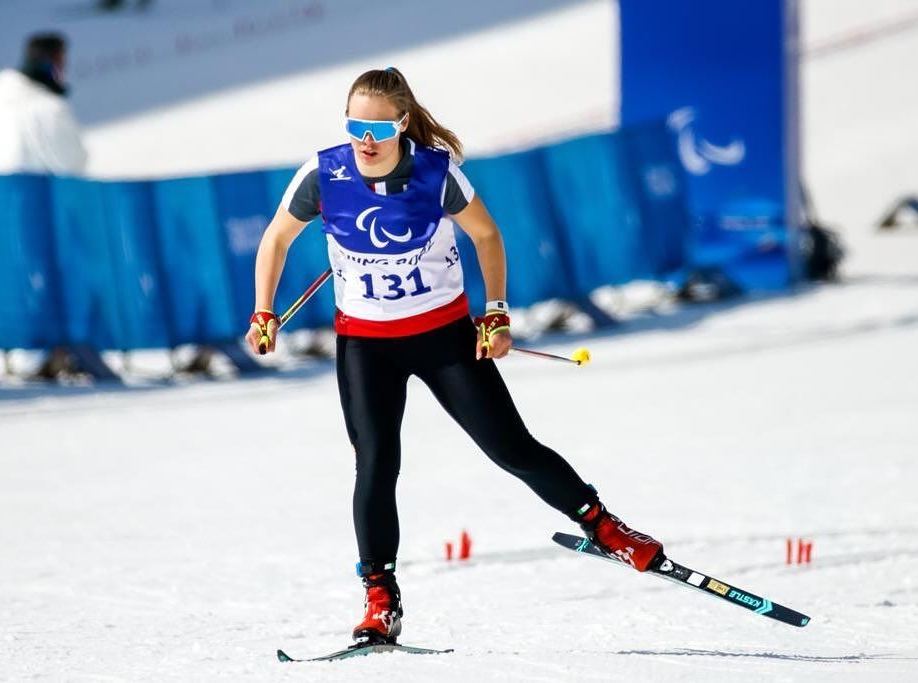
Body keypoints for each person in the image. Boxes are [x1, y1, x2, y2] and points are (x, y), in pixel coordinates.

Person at [246, 67, 666, 645]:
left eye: (377, 127)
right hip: (366, 344)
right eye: (353, 126)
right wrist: (263, 310)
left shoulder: (437, 174)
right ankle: (380, 599)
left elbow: (486, 236)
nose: (364, 140)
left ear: (400, 126)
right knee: (375, 465)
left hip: (442, 337)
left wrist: (495, 312)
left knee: (511, 448)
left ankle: (602, 527)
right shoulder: (322, 174)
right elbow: (275, 237)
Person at [0, 32, 87, 175]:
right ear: (50, 64)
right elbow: (71, 163)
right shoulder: (47, 107)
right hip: (26, 191)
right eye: (61, 62)